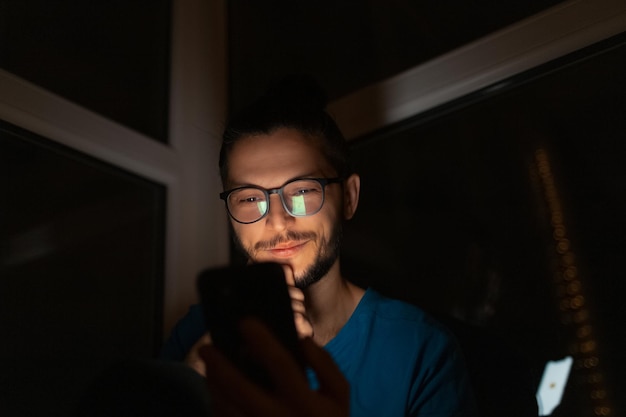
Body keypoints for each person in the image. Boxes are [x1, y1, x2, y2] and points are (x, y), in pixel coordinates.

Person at [161, 75, 476, 416]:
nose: (278, 221)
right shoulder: (196, 337)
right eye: (250, 198)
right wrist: (192, 380)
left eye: (301, 191)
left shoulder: (420, 351)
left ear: (350, 198)